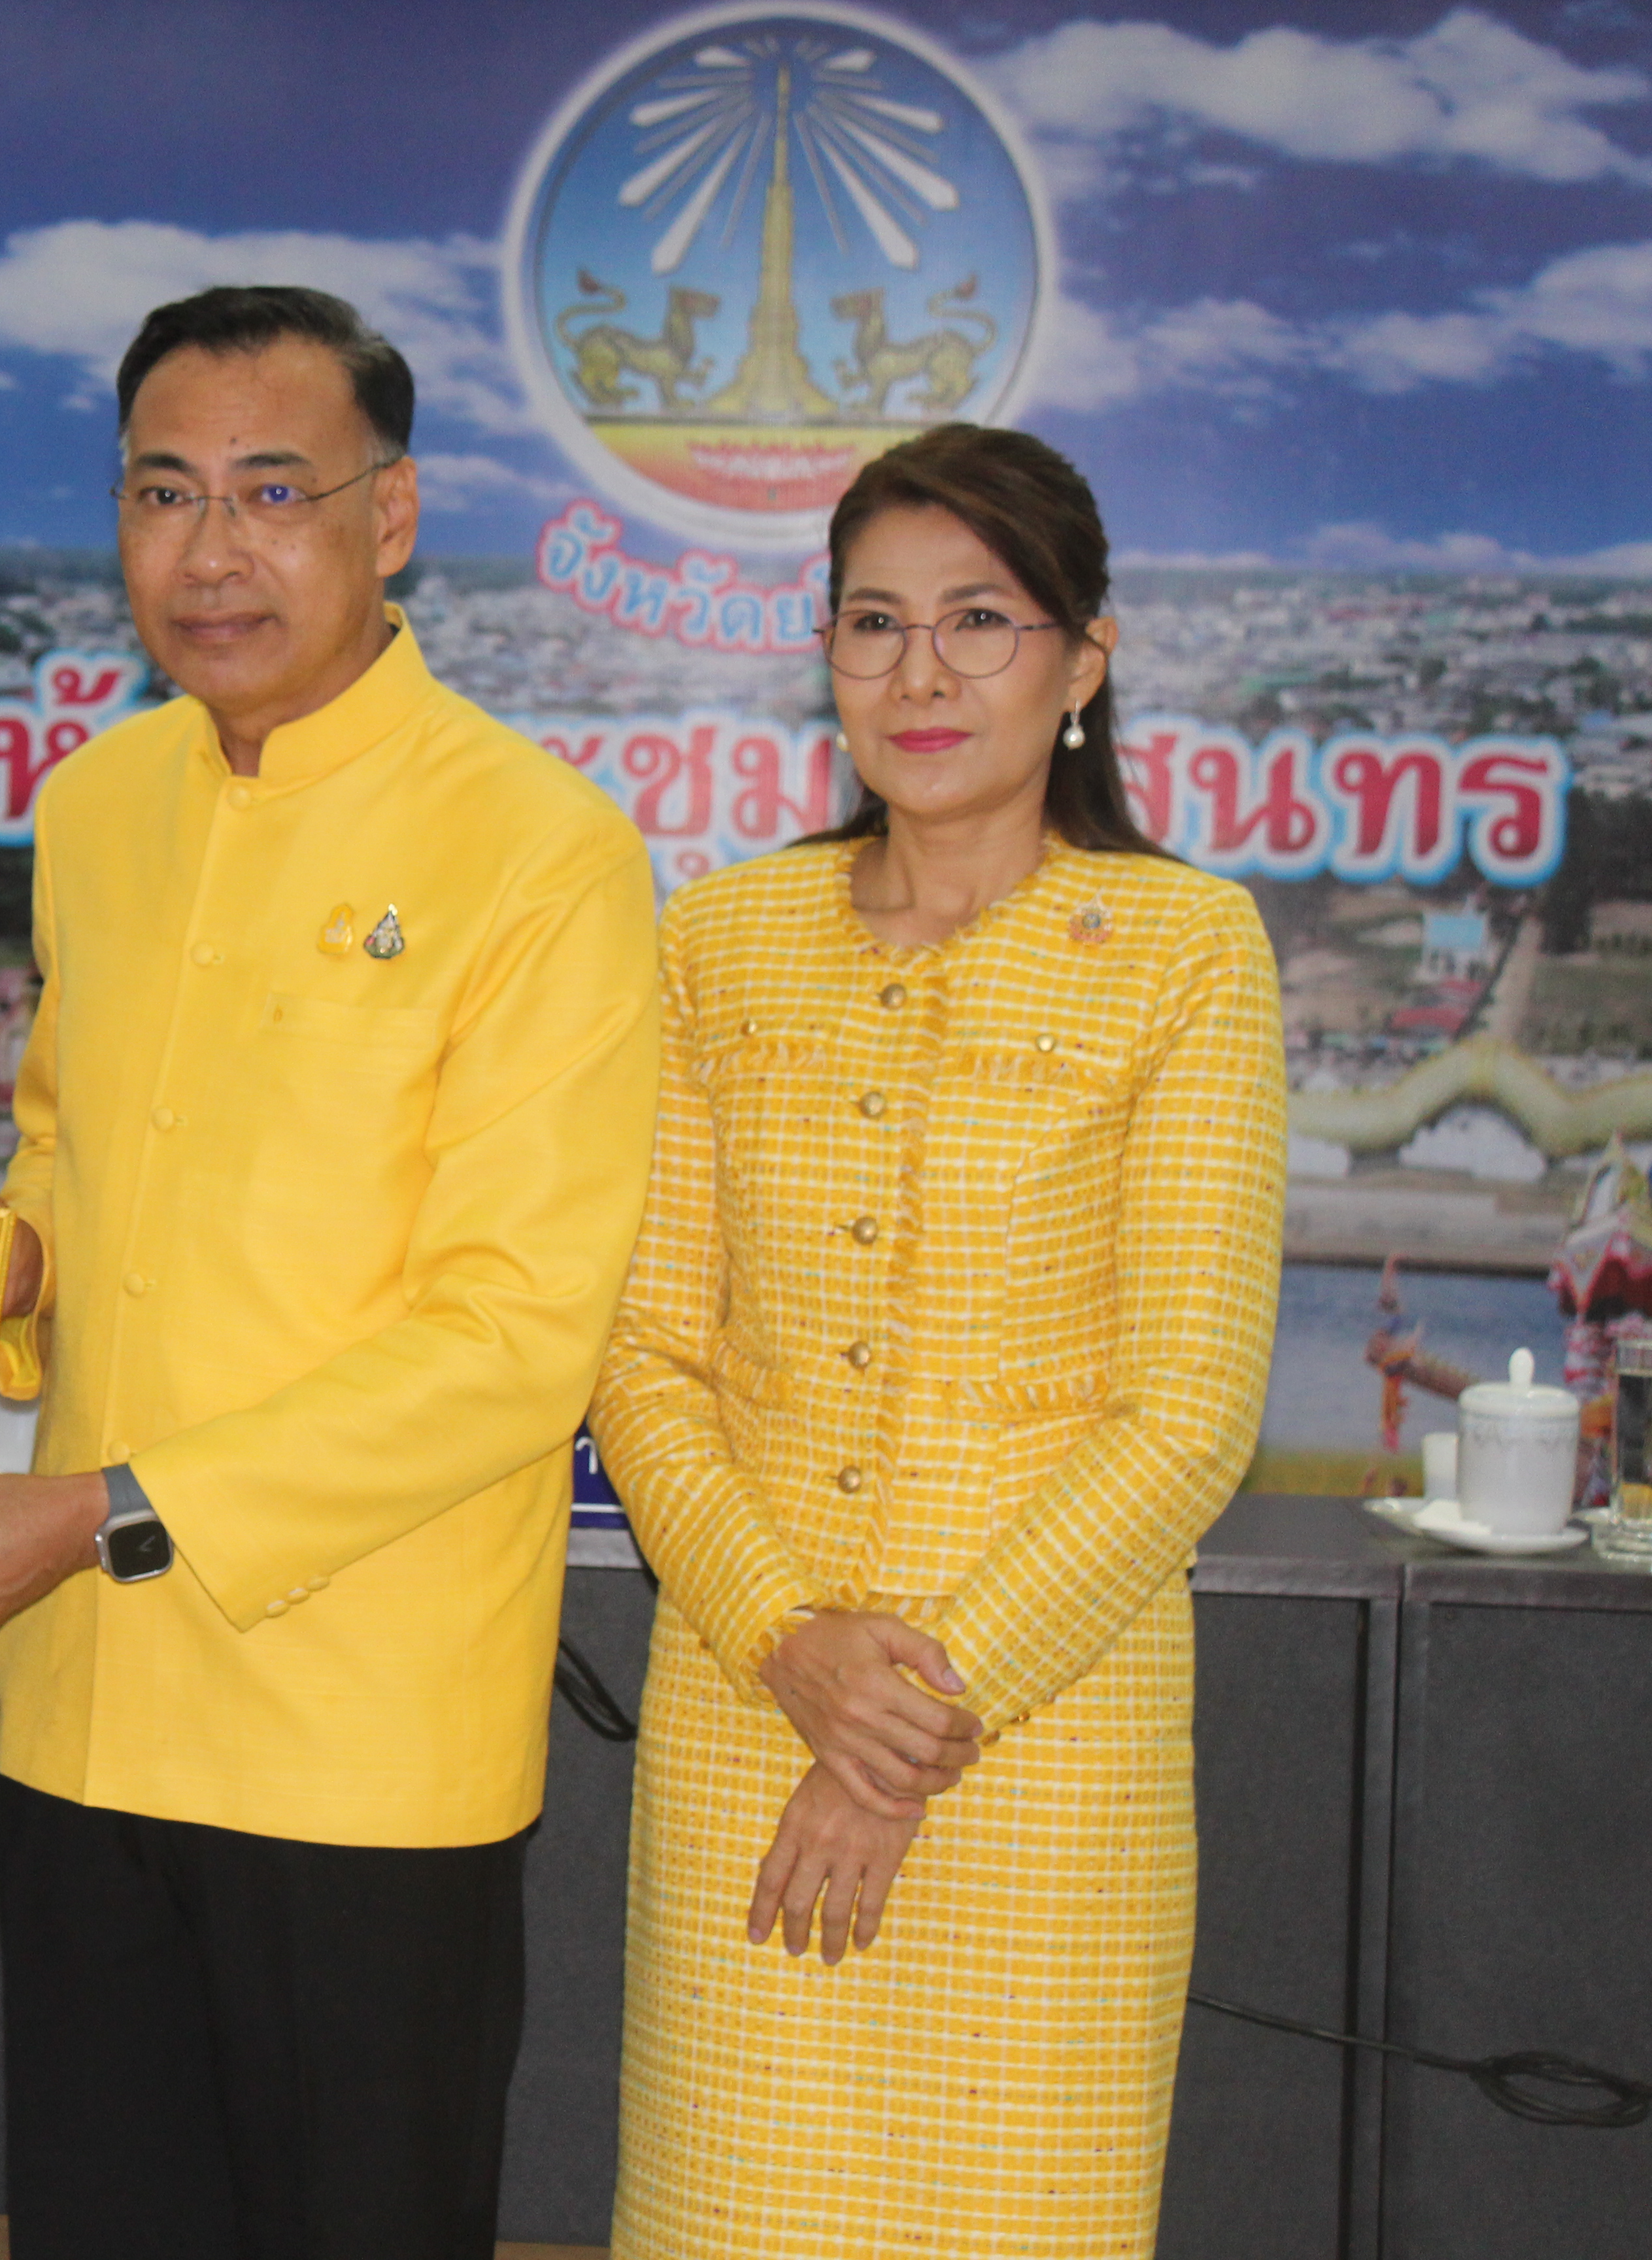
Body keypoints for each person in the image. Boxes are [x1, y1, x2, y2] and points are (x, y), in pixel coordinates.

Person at [0, 286, 663, 2257]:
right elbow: (78, 1170)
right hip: (91, 1703)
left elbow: (515, 1341)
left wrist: (104, 1510)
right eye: (165, 494)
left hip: (357, 1736)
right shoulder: (103, 805)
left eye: (274, 492)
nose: (213, 552)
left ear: (392, 518)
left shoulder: (538, 849)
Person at [586, 422, 1288, 2255]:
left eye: (982, 619)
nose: (922, 673)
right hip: (749, 1712)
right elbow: (648, 1357)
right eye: (874, 623)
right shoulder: (722, 938)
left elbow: (1190, 1411)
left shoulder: (1189, 950)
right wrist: (785, 1641)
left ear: (1086, 659)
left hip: (1045, 1753)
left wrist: (898, 1724)